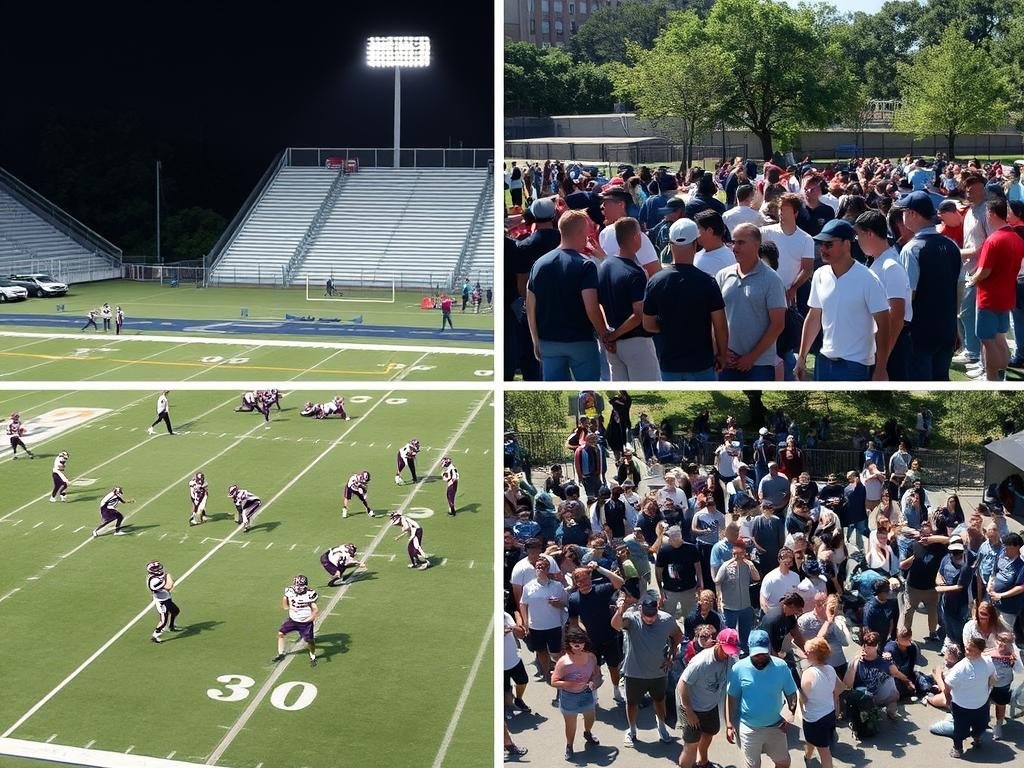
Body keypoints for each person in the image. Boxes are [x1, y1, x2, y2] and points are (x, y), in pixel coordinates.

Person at [795, 219, 890, 381]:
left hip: (855, 366)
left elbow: (884, 324)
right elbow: (814, 316)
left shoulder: (868, 279)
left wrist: (881, 369)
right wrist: (802, 358)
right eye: (821, 244)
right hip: (823, 360)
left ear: (847, 244)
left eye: (829, 244)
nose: (822, 249)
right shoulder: (820, 274)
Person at [526, 210, 610, 381]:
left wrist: (536, 340)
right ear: (580, 232)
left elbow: (530, 306)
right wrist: (604, 334)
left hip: (548, 342)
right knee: (589, 393)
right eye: (586, 233)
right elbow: (591, 307)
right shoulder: (585, 265)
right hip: (581, 341)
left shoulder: (539, 264)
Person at [642, 217, 728, 380]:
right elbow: (720, 326)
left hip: (669, 365)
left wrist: (669, 327)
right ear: (696, 244)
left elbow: (647, 324)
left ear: (671, 245)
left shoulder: (655, 281)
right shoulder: (708, 282)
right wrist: (722, 355)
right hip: (701, 364)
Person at [897, 190, 963, 379]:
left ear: (912, 214)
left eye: (903, 212)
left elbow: (909, 295)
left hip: (920, 332)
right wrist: (954, 326)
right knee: (942, 379)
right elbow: (959, 288)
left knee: (920, 378)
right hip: (946, 329)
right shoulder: (951, 246)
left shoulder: (911, 250)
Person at [716, 223, 787, 381]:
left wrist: (751, 357)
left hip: (759, 364)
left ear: (757, 245)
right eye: (733, 242)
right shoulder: (722, 275)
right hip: (727, 362)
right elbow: (715, 318)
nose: (735, 248)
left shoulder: (772, 279)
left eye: (741, 242)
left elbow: (778, 324)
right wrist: (720, 351)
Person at [613, 594, 683, 747]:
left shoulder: (666, 619)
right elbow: (616, 625)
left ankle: (662, 727)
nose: (650, 618)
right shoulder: (632, 619)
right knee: (632, 704)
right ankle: (631, 730)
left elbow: (678, 634)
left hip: (658, 672)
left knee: (659, 701)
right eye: (647, 615)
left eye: (653, 614)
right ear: (640, 610)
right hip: (634, 673)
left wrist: (671, 655)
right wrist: (620, 610)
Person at [967, 196, 1024, 380]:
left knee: (987, 341)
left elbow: (984, 271)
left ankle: (992, 378)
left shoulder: (994, 240)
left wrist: (972, 280)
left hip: (989, 297)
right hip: (1007, 295)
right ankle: (1002, 375)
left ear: (991, 214)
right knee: (1000, 338)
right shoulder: (1016, 237)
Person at [724, 629, 798, 768]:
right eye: (756, 655)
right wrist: (729, 723)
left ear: (769, 649)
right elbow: (731, 697)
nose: (760, 658)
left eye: (764, 654)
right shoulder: (738, 668)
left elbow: (792, 694)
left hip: (777, 727)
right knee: (753, 766)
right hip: (749, 728)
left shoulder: (781, 667)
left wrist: (790, 714)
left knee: (784, 763)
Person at [598, 217, 660, 380]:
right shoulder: (635, 273)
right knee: (648, 393)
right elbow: (638, 315)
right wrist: (613, 335)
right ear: (635, 237)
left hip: (613, 346)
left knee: (622, 393)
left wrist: (606, 333)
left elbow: (598, 303)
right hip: (636, 344)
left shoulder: (605, 265)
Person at [855, 210, 913, 380]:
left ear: (870, 234)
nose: (857, 240)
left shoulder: (890, 266)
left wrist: (883, 360)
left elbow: (897, 316)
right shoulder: (879, 262)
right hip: (881, 341)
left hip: (893, 343)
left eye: (859, 235)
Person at [676, 627, 741, 768]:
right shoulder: (701, 662)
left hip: (710, 706)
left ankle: (703, 762)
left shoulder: (730, 660)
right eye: (726, 650)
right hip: (691, 706)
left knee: (709, 733)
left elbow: (728, 691)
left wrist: (729, 723)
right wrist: (689, 712)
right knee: (691, 745)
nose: (727, 655)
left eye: (731, 651)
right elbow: (682, 684)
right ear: (718, 643)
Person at [567, 563, 627, 702]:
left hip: (610, 637)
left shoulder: (601, 589)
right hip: (591, 642)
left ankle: (616, 690)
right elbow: (574, 622)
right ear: (575, 582)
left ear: (591, 578)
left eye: (586, 579)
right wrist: (584, 631)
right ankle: (594, 694)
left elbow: (620, 583)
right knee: (593, 669)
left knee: (614, 667)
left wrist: (599, 569)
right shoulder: (574, 599)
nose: (584, 583)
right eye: (580, 581)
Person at [550, 628, 603, 760]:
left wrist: (594, 682)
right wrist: (569, 684)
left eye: (580, 643)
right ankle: (569, 746)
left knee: (591, 718)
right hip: (569, 697)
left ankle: (587, 733)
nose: (577, 646)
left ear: (585, 643)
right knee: (570, 725)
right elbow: (554, 681)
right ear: (569, 644)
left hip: (586, 693)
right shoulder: (563, 662)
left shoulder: (591, 657)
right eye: (574, 643)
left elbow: (596, 674)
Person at [944, 635, 996, 758]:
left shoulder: (988, 662)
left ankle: (976, 737)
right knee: (960, 730)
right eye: (966, 648)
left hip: (982, 704)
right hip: (961, 706)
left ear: (980, 650)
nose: (966, 651)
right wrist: (948, 699)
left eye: (970, 649)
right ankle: (957, 747)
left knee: (982, 724)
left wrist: (988, 692)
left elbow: (992, 677)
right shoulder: (960, 668)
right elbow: (947, 685)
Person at [761, 192, 815, 306]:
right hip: (764, 290)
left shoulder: (806, 239)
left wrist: (793, 289)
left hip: (786, 294)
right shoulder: (765, 232)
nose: (781, 212)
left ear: (795, 213)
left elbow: (807, 269)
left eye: (785, 209)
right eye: (780, 208)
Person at [519, 556, 567, 681]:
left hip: (554, 625)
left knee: (556, 653)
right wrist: (525, 623)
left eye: (543, 566)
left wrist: (559, 604)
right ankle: (546, 673)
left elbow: (566, 604)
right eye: (538, 566)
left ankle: (560, 672)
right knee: (541, 652)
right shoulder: (528, 587)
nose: (540, 568)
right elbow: (523, 604)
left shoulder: (557, 586)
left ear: (548, 569)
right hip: (536, 626)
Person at [800, 636, 845, 768]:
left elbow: (804, 699)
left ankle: (808, 757)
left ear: (815, 654)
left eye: (807, 651)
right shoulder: (830, 669)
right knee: (813, 741)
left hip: (813, 719)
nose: (805, 654)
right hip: (829, 714)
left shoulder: (808, 674)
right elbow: (840, 688)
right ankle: (807, 757)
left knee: (825, 753)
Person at [843, 630, 903, 720]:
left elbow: (895, 672)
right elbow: (846, 686)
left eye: (871, 647)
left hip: (879, 694)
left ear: (877, 646)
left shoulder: (885, 660)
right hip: (864, 696)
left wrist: (890, 660)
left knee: (891, 683)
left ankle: (891, 711)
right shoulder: (856, 662)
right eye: (866, 646)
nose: (867, 650)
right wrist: (853, 666)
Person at [715, 540, 761, 656]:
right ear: (732, 552)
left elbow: (757, 578)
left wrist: (751, 566)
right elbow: (717, 581)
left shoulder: (748, 565)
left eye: (740, 553)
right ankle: (728, 654)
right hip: (730, 607)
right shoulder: (726, 565)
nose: (738, 556)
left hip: (745, 606)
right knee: (729, 634)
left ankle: (744, 652)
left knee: (745, 634)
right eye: (735, 553)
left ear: (745, 553)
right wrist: (730, 562)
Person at [656, 525, 703, 619]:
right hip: (670, 590)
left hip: (689, 589)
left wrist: (700, 584)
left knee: (690, 616)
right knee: (668, 617)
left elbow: (698, 568)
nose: (669, 539)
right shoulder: (663, 551)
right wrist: (661, 589)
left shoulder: (691, 548)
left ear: (679, 537)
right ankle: (671, 633)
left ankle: (688, 633)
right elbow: (658, 572)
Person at [798, 592, 849, 678]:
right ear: (817, 605)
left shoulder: (834, 620)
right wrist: (827, 623)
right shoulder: (805, 620)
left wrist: (833, 623)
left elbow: (845, 642)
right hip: (822, 667)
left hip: (839, 663)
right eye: (822, 605)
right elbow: (813, 645)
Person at [272, 575, 318, 667]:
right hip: (293, 619)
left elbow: (314, 608)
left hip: (305, 622)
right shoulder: (290, 590)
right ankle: (281, 653)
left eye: (300, 586)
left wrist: (312, 617)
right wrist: (286, 606)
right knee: (281, 633)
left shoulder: (310, 594)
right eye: (297, 585)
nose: (298, 588)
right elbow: (285, 597)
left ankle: (313, 656)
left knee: (309, 641)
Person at [937, 541, 974, 651]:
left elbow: (960, 587)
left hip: (961, 603)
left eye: (958, 552)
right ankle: (950, 644)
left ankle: (960, 649)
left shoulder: (966, 567)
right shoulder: (946, 559)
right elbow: (940, 573)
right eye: (953, 552)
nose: (954, 554)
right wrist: (938, 580)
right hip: (946, 600)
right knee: (947, 623)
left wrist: (940, 589)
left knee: (958, 627)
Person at [985, 630, 1021, 739]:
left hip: (1003, 686)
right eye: (1000, 640)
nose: (1002, 643)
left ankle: (998, 725)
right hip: (988, 685)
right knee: (985, 703)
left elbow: (1019, 670)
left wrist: (1015, 658)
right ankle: (984, 723)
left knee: (1000, 705)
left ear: (1011, 644)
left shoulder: (1012, 656)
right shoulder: (989, 652)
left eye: (1006, 642)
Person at [503, 611, 533, 719]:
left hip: (514, 660)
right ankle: (507, 707)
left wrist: (516, 628)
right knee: (505, 692)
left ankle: (518, 700)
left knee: (523, 681)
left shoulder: (506, 615)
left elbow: (520, 634)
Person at [146, 561, 181, 643]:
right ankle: (154, 636)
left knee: (175, 611)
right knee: (163, 621)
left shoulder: (156, 576)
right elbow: (168, 586)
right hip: (162, 601)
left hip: (166, 598)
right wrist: (169, 578)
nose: (159, 569)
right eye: (156, 568)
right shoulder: (153, 580)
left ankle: (171, 626)